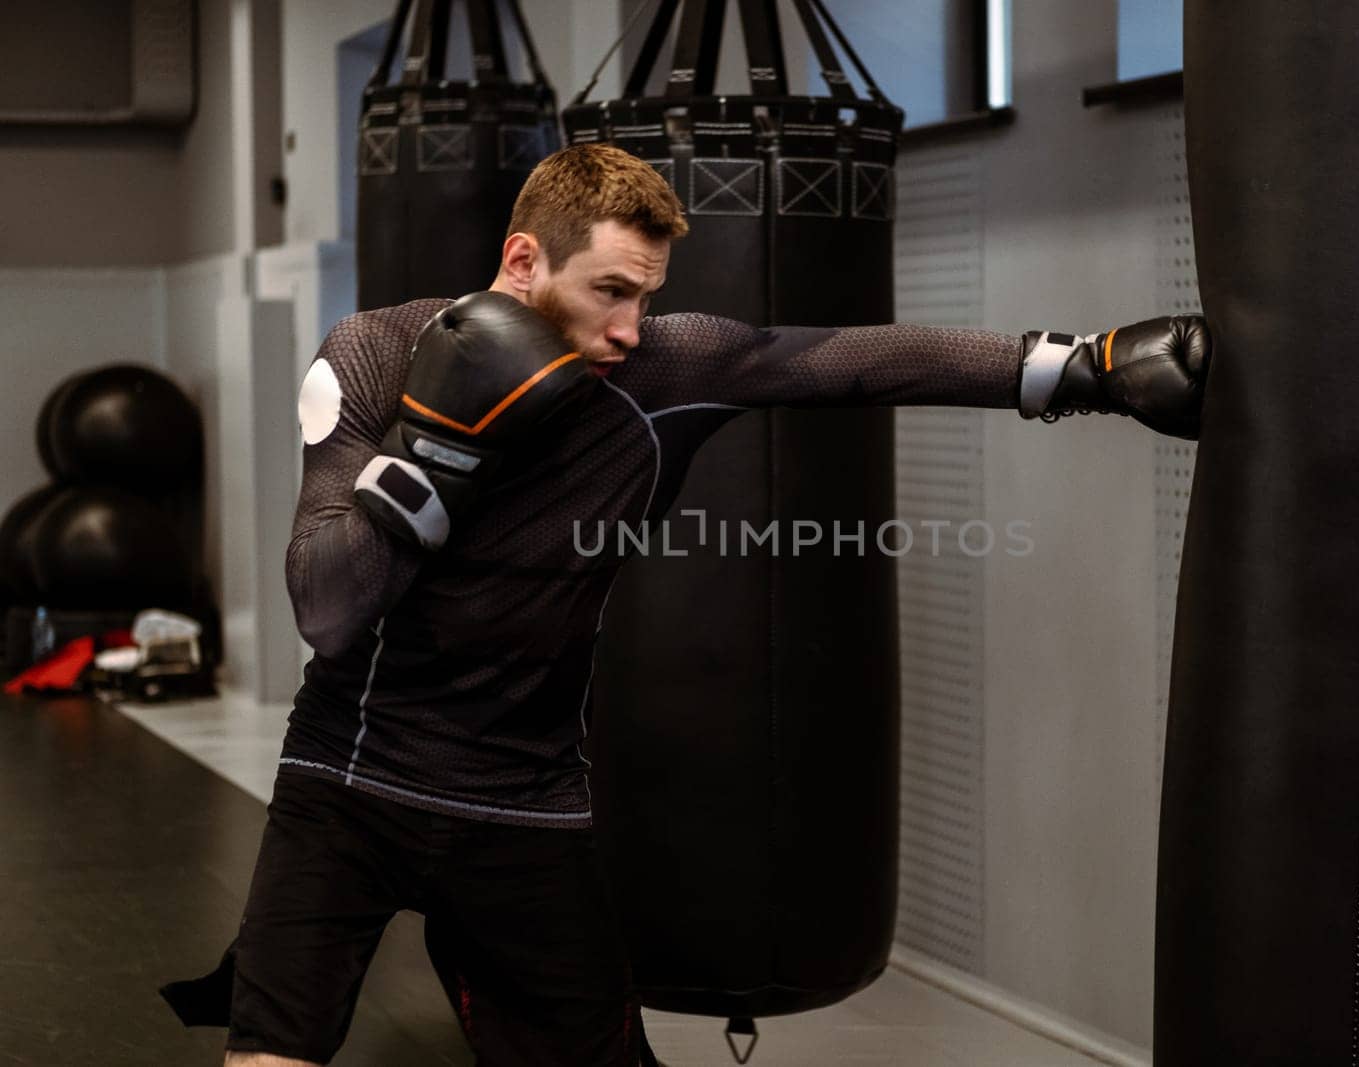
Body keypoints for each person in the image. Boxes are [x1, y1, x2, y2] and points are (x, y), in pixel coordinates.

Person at [164, 143, 1210, 1066]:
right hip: (349, 774)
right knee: (273, 1050)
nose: (629, 327)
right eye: (610, 290)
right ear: (524, 259)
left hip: (523, 798)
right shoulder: (376, 354)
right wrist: (440, 446)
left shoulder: (661, 369)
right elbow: (327, 608)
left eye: (646, 296)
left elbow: (842, 361)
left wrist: (1081, 368)